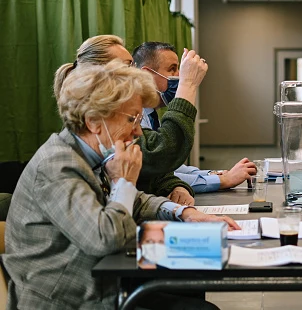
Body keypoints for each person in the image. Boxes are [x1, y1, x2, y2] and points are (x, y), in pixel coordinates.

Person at [3, 61, 238, 309]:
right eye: (132, 119)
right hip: (67, 299)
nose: (138, 131)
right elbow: (105, 239)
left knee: (193, 291)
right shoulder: (57, 165)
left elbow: (135, 200)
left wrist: (186, 213)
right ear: (94, 121)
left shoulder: (89, 154)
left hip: (101, 286)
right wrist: (124, 181)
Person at [53, 35, 204, 205]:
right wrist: (187, 85)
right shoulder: (63, 166)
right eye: (127, 66)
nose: (135, 72)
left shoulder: (101, 144)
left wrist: (177, 196)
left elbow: (146, 181)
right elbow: (158, 154)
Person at [132, 42, 257, 193]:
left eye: (179, 68)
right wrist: (222, 180)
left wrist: (213, 174)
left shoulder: (151, 114)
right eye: (172, 69)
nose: (179, 75)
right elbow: (161, 160)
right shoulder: (134, 116)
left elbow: (170, 168)